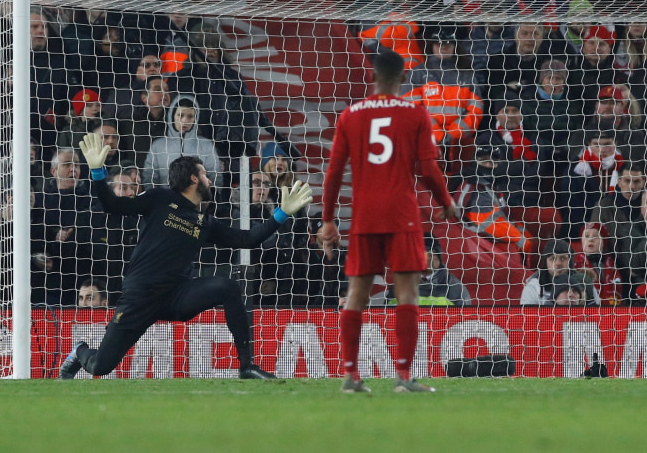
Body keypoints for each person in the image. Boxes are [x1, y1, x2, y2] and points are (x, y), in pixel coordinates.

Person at [59, 136, 309, 380]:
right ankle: (80, 350)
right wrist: (97, 172)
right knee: (100, 366)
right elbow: (114, 205)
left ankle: (246, 366)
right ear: (193, 178)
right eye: (205, 175)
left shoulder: (204, 221)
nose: (210, 180)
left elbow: (247, 240)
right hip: (141, 297)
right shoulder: (159, 198)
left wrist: (281, 213)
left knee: (229, 287)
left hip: (176, 296)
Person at [317, 47, 456, 394]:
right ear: (403, 77)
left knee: (356, 295)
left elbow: (334, 172)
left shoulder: (351, 115)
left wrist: (328, 219)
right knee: (406, 292)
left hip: (364, 217)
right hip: (401, 216)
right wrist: (446, 202)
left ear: (373, 76)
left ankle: (351, 377)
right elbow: (427, 169)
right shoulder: (415, 114)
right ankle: (404, 378)